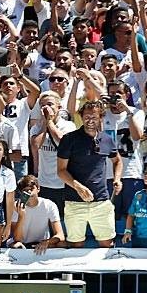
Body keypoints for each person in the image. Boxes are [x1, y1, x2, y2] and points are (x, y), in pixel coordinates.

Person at [55, 100, 120, 249]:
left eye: (94, 117)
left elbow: (117, 161)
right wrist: (78, 187)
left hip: (101, 201)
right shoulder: (69, 139)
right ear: (81, 117)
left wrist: (117, 179)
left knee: (107, 245)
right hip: (74, 202)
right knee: (75, 245)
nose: (90, 121)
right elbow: (61, 170)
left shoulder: (107, 139)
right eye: (87, 117)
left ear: (100, 118)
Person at [12, 175, 65, 253]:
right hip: (23, 244)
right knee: (17, 245)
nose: (29, 192)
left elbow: (60, 235)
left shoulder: (49, 205)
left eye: (31, 189)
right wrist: (21, 216)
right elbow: (17, 239)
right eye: (25, 190)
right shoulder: (16, 206)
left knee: (61, 244)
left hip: (42, 242)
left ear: (38, 188)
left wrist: (47, 242)